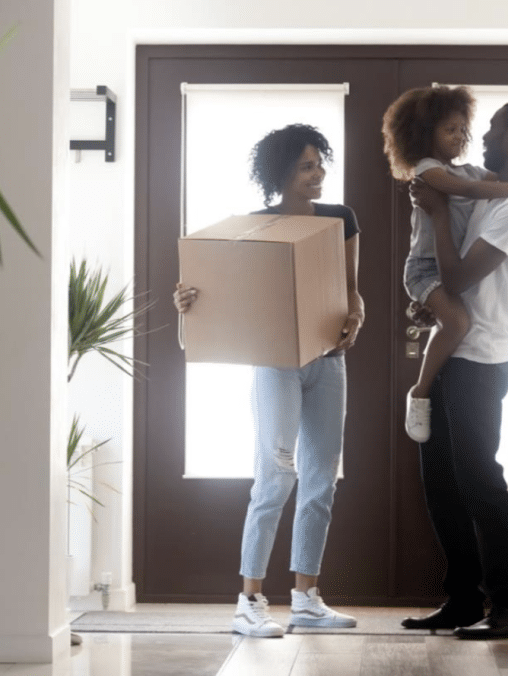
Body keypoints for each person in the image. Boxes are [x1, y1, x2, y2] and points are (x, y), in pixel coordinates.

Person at [173, 124, 364, 638]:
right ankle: (250, 599)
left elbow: (350, 291)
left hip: (328, 360)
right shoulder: (255, 226)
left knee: (321, 479)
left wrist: (356, 316)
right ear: (281, 172)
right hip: (275, 363)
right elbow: (221, 291)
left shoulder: (339, 219)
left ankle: (305, 598)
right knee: (275, 476)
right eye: (306, 166)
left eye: (320, 163)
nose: (318, 173)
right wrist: (189, 300)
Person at [401, 101, 508, 639]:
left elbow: (460, 278)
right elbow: (453, 276)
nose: (479, 136)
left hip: (481, 362)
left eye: (489, 129)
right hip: (459, 358)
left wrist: (439, 214)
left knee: (481, 482)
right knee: (442, 484)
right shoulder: (496, 196)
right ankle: (464, 600)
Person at [380, 86, 508, 444]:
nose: (466, 136)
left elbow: (493, 186)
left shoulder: (493, 189)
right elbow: (480, 191)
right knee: (450, 477)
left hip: (480, 359)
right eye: (451, 129)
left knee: (471, 477)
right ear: (425, 134)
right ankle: (419, 392)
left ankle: (420, 392)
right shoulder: (430, 171)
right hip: (423, 270)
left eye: (465, 128)